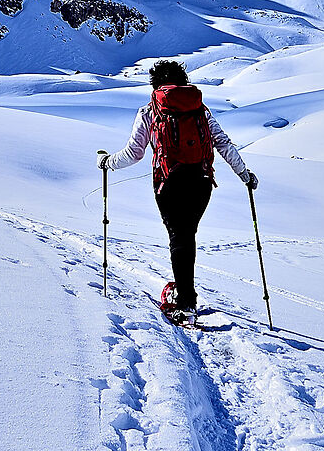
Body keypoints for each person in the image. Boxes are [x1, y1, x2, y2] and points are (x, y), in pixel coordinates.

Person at [101, 59, 255, 316]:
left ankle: (184, 299)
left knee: (178, 236)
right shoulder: (200, 110)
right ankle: (186, 292)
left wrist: (108, 163)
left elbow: (134, 153)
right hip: (202, 181)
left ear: (155, 84)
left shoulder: (149, 111)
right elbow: (223, 143)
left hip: (168, 182)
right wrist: (244, 174)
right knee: (187, 234)